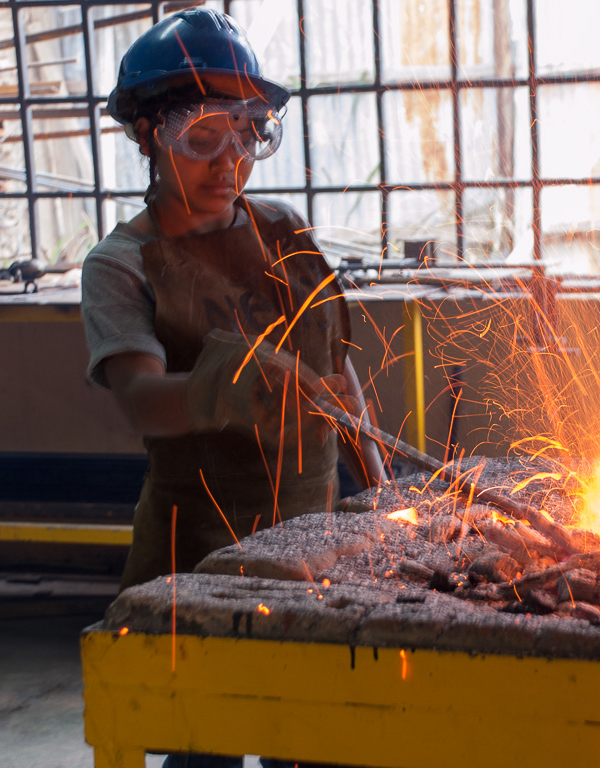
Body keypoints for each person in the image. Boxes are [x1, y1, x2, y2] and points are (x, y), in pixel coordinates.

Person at [81, 10, 385, 767]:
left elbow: (333, 362)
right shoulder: (122, 263)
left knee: (309, 735)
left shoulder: (280, 228)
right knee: (208, 738)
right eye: (203, 139)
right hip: (201, 551)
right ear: (150, 135)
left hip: (309, 538)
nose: (230, 163)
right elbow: (140, 398)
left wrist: (380, 481)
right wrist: (227, 383)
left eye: (249, 134)